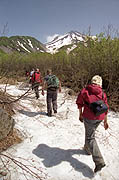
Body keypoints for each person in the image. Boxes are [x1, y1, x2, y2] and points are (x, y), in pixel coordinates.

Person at [76, 75, 109, 173]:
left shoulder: (85, 90)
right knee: (90, 133)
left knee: (90, 137)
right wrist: (105, 121)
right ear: (100, 83)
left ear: (92, 82)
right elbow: (106, 107)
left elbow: (79, 103)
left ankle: (99, 161)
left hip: (89, 117)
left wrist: (80, 114)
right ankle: (88, 149)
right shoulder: (102, 93)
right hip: (100, 117)